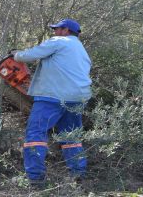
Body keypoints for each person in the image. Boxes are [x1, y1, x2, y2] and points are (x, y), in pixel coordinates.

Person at [11, 18, 92, 186]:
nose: (54, 32)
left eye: (57, 29)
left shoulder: (59, 41)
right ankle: (78, 175)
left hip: (52, 97)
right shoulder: (81, 50)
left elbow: (31, 55)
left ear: (66, 31)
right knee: (71, 137)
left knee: (36, 134)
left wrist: (16, 54)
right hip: (77, 98)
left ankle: (35, 179)